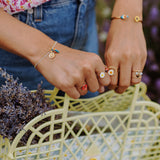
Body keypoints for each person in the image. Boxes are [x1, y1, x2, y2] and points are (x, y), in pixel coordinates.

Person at [0, 0, 147, 99]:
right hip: (15, 37)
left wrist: (128, 16)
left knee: (88, 134)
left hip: (85, 10)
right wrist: (44, 51)